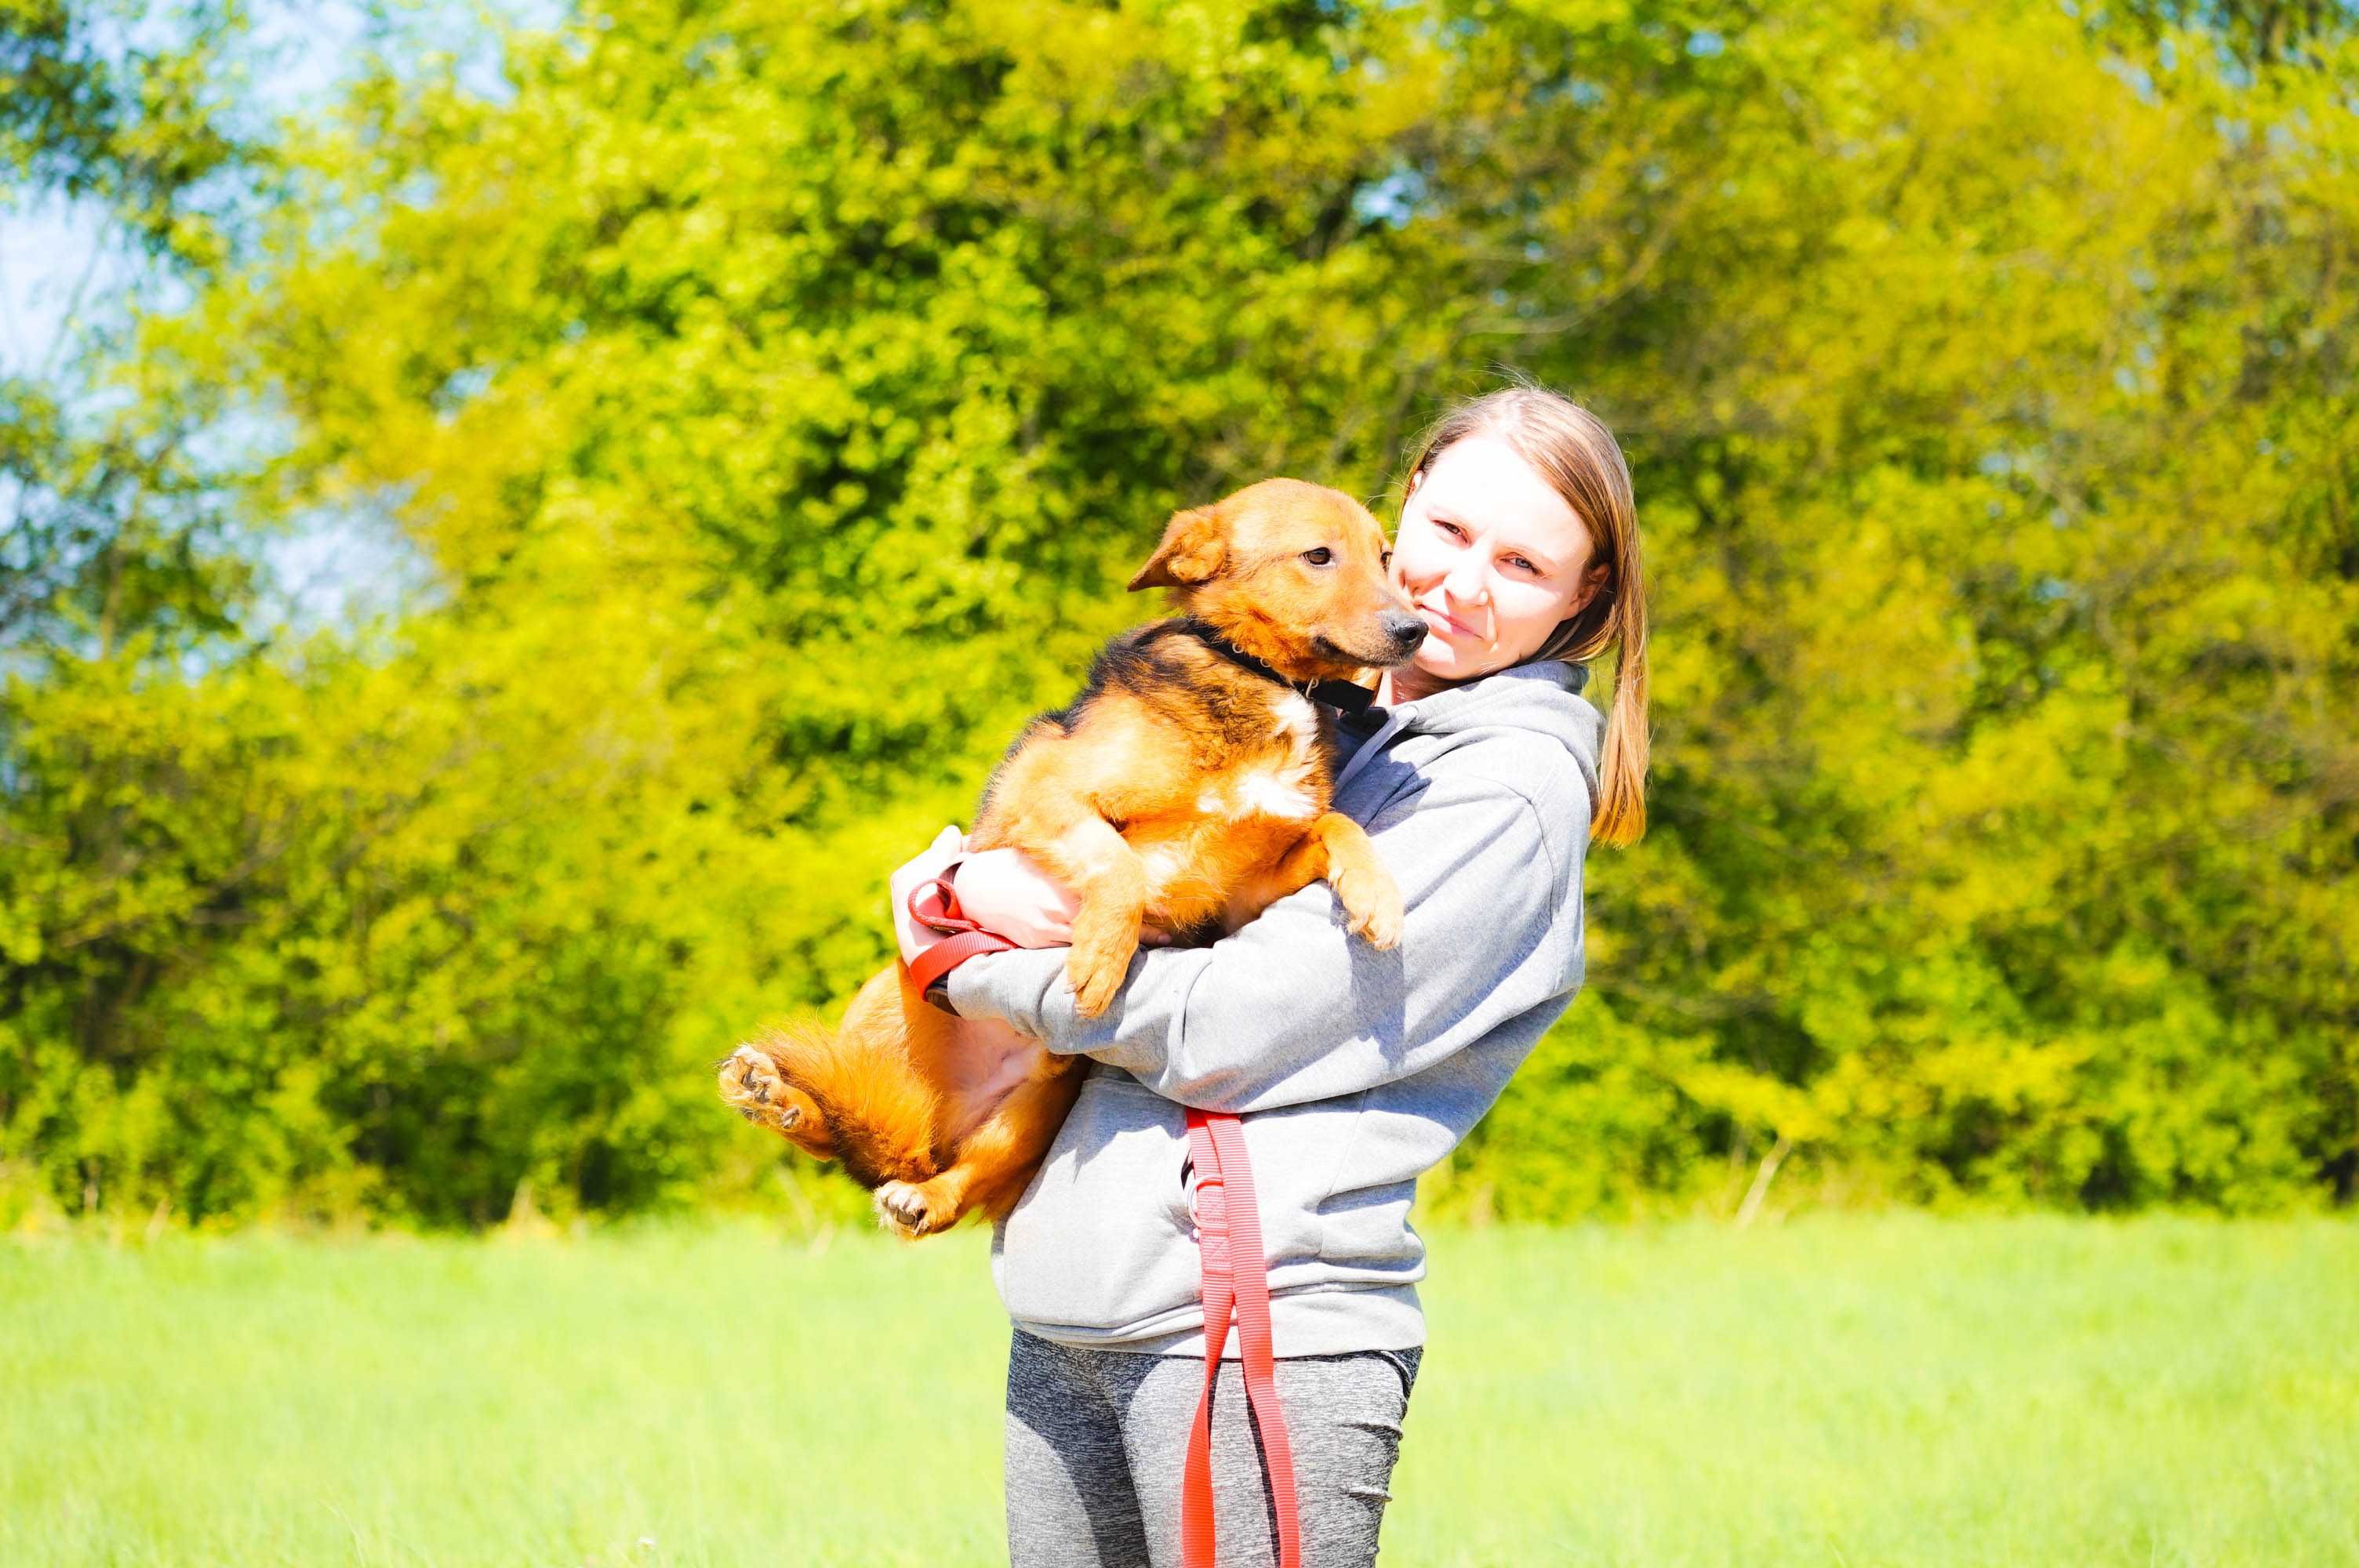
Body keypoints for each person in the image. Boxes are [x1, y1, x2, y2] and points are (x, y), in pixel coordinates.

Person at [897, 384, 1651, 1567]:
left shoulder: (1507, 790)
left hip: (1256, 1337)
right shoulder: (1323, 709)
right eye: (1446, 535)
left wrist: (970, 961)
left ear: (1585, 598)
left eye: (1521, 563)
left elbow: (1229, 1026)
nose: (1457, 583)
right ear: (1394, 515)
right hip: (1076, 1310)